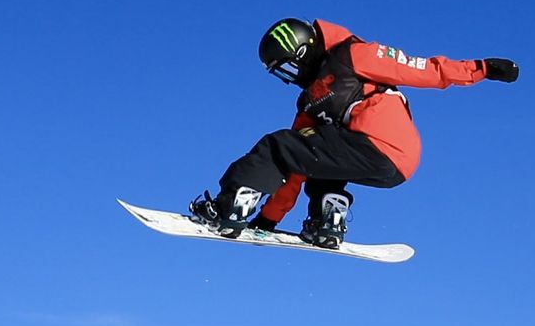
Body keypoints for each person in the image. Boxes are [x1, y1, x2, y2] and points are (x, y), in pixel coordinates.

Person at [190, 18, 518, 249]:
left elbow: (422, 69)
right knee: (313, 155)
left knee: (276, 144)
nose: (290, 77)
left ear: (303, 51)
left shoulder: (354, 54)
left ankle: (230, 206)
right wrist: (268, 222)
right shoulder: (310, 102)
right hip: (390, 163)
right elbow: (294, 168)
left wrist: (483, 69)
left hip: (384, 142)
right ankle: (327, 222)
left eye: (289, 66)